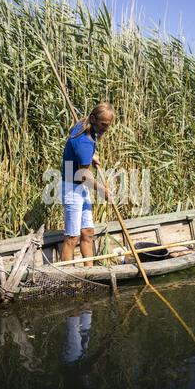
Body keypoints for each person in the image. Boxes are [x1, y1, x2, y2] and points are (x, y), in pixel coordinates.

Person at [61, 102, 115, 266]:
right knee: (72, 237)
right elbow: (82, 174)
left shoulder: (81, 125)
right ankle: (67, 277)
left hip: (80, 187)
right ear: (93, 118)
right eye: (103, 124)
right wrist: (102, 191)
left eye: (108, 125)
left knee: (88, 232)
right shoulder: (84, 143)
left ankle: (89, 271)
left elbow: (74, 143)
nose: (106, 129)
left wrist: (90, 156)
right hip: (72, 187)